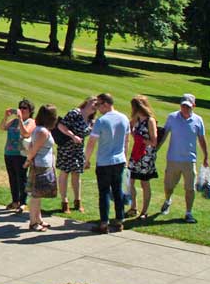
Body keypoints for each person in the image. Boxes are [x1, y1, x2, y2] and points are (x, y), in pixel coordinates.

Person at [159, 93, 209, 223]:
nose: (185, 109)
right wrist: (155, 150)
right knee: (168, 186)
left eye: (188, 106)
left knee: (190, 188)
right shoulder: (172, 117)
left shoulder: (198, 120)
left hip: (189, 160)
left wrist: (206, 157)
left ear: (194, 105)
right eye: (183, 106)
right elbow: (164, 135)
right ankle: (168, 200)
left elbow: (202, 139)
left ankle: (188, 212)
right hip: (173, 159)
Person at [84, 93, 130, 233]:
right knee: (117, 190)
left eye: (98, 104)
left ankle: (104, 223)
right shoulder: (124, 118)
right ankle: (119, 220)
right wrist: (125, 157)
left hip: (104, 161)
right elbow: (127, 140)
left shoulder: (102, 121)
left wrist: (86, 159)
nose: (97, 108)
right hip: (119, 160)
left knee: (104, 192)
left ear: (106, 104)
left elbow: (92, 142)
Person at [22, 104, 61, 232]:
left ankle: (38, 219)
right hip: (40, 165)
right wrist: (28, 161)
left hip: (43, 164)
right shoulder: (42, 131)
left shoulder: (41, 129)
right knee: (36, 196)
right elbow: (34, 149)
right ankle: (33, 222)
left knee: (38, 195)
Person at [54, 97, 97, 212]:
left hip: (78, 150)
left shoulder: (91, 120)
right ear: (88, 102)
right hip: (66, 147)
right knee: (65, 172)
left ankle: (78, 201)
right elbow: (61, 126)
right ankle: (64, 202)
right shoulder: (75, 113)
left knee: (77, 174)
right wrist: (73, 136)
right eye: (94, 103)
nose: (95, 106)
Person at [0, 99, 35, 211]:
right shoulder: (14, 121)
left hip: (21, 154)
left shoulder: (31, 122)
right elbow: (2, 127)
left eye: (25, 108)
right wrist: (6, 116)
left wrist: (20, 119)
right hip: (9, 153)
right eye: (21, 108)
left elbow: (26, 133)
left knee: (22, 178)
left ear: (30, 110)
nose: (22, 110)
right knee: (12, 178)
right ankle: (15, 201)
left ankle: (23, 202)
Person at [127, 95, 159, 218]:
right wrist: (134, 135)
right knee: (130, 181)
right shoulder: (137, 118)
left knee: (144, 183)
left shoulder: (150, 121)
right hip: (136, 153)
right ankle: (133, 207)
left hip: (146, 155)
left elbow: (154, 141)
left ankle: (144, 211)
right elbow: (129, 126)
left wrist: (142, 140)